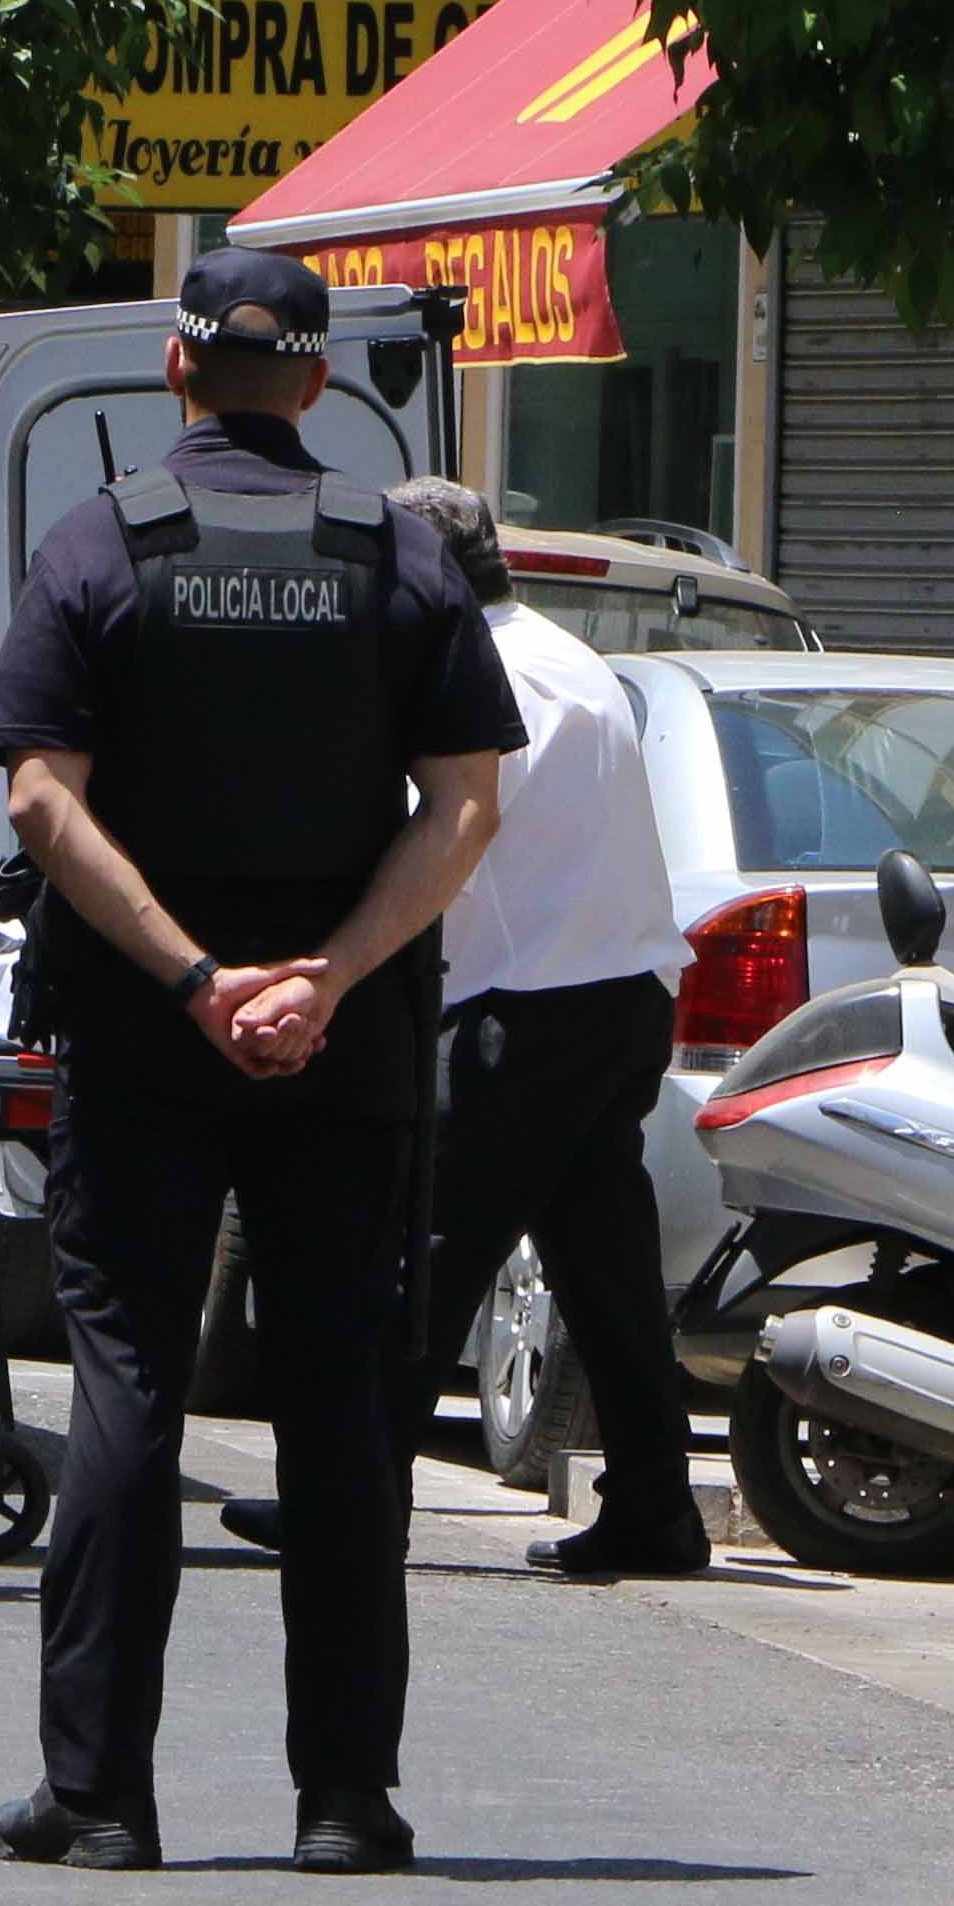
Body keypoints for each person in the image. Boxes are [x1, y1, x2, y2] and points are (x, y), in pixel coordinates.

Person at [0, 250, 519, 1877]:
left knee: (129, 1378)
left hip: (146, 1033)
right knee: (337, 1400)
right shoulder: (396, 556)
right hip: (342, 1050)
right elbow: (468, 804)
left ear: (174, 365)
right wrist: (326, 976)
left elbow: (34, 802)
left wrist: (198, 977)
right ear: (321, 379)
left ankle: (97, 1792)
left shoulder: (100, 542)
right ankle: (344, 1793)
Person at [216, 480, 706, 1577]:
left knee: (417, 1258)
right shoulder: (568, 658)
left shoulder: (479, 676)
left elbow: (445, 838)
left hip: (525, 1016)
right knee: (606, 1269)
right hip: (618, 996)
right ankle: (656, 1505)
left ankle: (350, 1500)